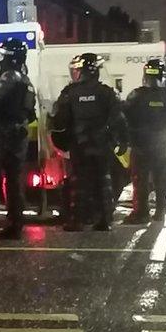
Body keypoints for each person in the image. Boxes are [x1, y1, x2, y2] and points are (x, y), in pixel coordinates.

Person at [50, 53, 128, 232]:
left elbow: (59, 121)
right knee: (103, 180)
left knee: (79, 182)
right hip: (102, 144)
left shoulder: (69, 93)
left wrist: (63, 142)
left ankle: (77, 220)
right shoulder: (107, 92)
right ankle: (104, 220)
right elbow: (119, 119)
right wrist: (122, 140)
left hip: (79, 145)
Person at [0, 38, 36, 240]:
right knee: (14, 182)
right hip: (19, 134)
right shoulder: (26, 81)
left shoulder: (9, 77)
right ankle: (15, 223)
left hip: (2, 133)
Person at [121, 59, 166, 225]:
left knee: (140, 179)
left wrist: (124, 139)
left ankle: (142, 213)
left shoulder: (136, 95)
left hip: (141, 144)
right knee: (163, 177)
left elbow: (124, 117)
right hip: (162, 144)